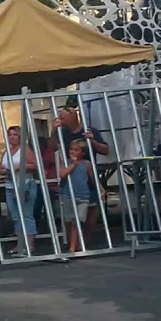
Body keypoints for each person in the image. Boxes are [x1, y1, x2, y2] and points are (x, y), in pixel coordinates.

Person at [50, 99, 108, 241]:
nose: (61, 120)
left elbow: (105, 150)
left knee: (92, 211)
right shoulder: (62, 132)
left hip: (88, 176)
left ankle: (86, 239)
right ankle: (73, 242)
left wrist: (92, 141)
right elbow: (52, 147)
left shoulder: (89, 130)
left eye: (63, 118)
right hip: (69, 176)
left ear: (73, 117)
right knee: (69, 214)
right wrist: (53, 131)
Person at [0, 125, 39, 256]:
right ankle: (20, 243)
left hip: (24, 185)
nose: (12, 137)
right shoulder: (6, 152)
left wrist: (20, 167)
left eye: (15, 134)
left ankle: (30, 244)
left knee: (26, 215)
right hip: (10, 186)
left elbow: (35, 165)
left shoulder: (25, 149)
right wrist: (5, 171)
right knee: (16, 217)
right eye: (10, 134)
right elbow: (0, 169)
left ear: (20, 136)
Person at [58, 140, 99, 254]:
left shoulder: (86, 164)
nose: (73, 152)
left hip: (83, 196)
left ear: (82, 153)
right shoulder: (66, 162)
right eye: (71, 149)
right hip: (68, 195)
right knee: (69, 221)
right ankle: (76, 243)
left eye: (77, 150)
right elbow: (62, 174)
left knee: (78, 221)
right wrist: (73, 164)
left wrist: (100, 189)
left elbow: (92, 178)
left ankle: (73, 247)